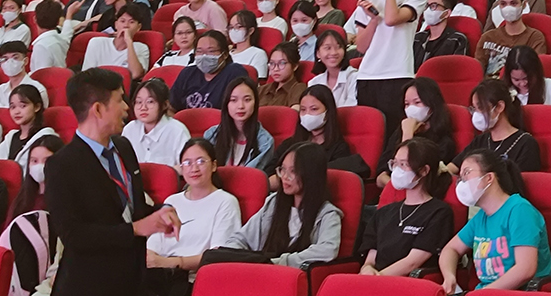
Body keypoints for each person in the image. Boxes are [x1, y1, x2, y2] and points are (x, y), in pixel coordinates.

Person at [44, 68, 182, 296]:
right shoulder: (62, 165)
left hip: (132, 280)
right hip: (89, 285)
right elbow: (73, 235)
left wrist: (161, 212)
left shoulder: (124, 147)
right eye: (120, 100)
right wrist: (134, 229)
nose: (127, 108)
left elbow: (132, 210)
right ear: (98, 109)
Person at [438, 148, 551, 292]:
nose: (462, 182)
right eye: (460, 177)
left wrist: (482, 293)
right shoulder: (481, 217)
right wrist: (449, 276)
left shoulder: (519, 210)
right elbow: (450, 249)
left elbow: (525, 269)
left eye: (467, 173)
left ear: (489, 178)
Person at [216, 141, 342, 267]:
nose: (285, 177)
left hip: (290, 274)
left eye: (293, 171)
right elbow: (241, 238)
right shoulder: (273, 202)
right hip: (260, 268)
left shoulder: (327, 214)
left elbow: (327, 250)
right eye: (282, 169)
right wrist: (232, 255)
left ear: (311, 174)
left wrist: (279, 262)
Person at [143, 138, 243, 295]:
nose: (194, 168)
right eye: (187, 163)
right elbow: (152, 247)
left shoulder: (225, 202)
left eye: (201, 161)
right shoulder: (172, 201)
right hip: (159, 276)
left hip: (194, 280)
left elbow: (218, 256)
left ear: (214, 165)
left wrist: (171, 262)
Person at [355, 0, 426, 126]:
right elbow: (361, 47)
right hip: (368, 75)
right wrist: (373, 20)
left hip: (398, 73)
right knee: (370, 130)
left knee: (394, 130)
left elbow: (391, 18)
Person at [362, 138, 454, 276]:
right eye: (395, 164)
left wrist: (377, 279)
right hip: (374, 279)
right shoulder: (384, 212)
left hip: (405, 281)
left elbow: (413, 262)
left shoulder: (439, 212)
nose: (397, 170)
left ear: (424, 170)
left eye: (403, 164)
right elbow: (371, 258)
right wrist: (367, 269)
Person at [374, 77, 460, 188]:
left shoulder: (444, 142)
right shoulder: (400, 131)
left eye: (417, 102)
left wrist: (408, 135)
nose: (411, 108)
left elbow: (416, 178)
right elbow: (380, 177)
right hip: (392, 192)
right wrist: (395, 189)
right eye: (407, 104)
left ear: (432, 104)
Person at [456, 79, 541, 174]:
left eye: (481, 108)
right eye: (474, 109)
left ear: (500, 107)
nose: (476, 114)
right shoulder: (480, 140)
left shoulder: (525, 143)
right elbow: (454, 166)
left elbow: (521, 180)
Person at [477, 0, 548, 76]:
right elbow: (477, 70)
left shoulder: (535, 38)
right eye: (503, 4)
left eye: (514, 3)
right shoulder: (487, 37)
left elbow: (535, 72)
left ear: (524, 4)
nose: (508, 8)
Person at [203, 78, 276, 170]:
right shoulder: (211, 135)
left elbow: (252, 175)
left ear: (255, 103)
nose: (241, 106)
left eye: (247, 100)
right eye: (233, 100)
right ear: (226, 104)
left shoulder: (265, 142)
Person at [122, 79, 189, 168]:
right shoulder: (129, 129)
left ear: (165, 105)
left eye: (150, 102)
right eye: (139, 102)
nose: (143, 107)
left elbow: (186, 166)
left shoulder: (178, 130)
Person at [0, 84, 61, 166]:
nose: (17, 112)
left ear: (37, 107)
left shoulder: (47, 137)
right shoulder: (10, 137)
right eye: (13, 107)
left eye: (23, 106)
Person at [83, 9, 150, 80]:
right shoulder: (96, 42)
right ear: (116, 24)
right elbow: (86, 74)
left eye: (131, 22)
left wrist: (129, 42)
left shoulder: (142, 48)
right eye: (122, 21)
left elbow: (135, 74)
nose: (126, 25)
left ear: (138, 27)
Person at [414, 0, 470, 66]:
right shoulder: (417, 38)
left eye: (433, 6)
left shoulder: (457, 40)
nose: (428, 10)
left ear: (447, 13)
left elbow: (457, 69)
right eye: (427, 6)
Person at [0, 41, 47, 109]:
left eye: (15, 58)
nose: (9, 62)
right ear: (1, 63)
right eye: (5, 59)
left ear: (25, 61)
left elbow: (39, 113)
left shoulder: (38, 89)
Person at [307, 29, 358, 107]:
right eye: (328, 48)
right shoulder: (314, 83)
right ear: (318, 53)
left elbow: (352, 109)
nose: (334, 52)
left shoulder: (354, 77)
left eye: (338, 47)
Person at [260, 42, 308, 108]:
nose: (276, 69)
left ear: (295, 66)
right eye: (272, 63)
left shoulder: (298, 88)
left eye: (282, 63)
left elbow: (294, 112)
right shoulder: (262, 89)